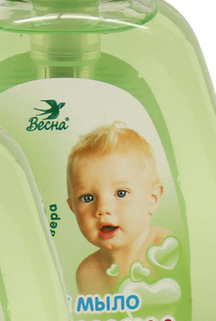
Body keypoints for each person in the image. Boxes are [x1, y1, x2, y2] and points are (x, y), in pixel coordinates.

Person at [66, 123, 171, 296]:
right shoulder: (88, 273)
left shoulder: (167, 249)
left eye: (121, 193)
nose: (102, 209)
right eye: (87, 198)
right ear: (73, 208)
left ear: (152, 199)